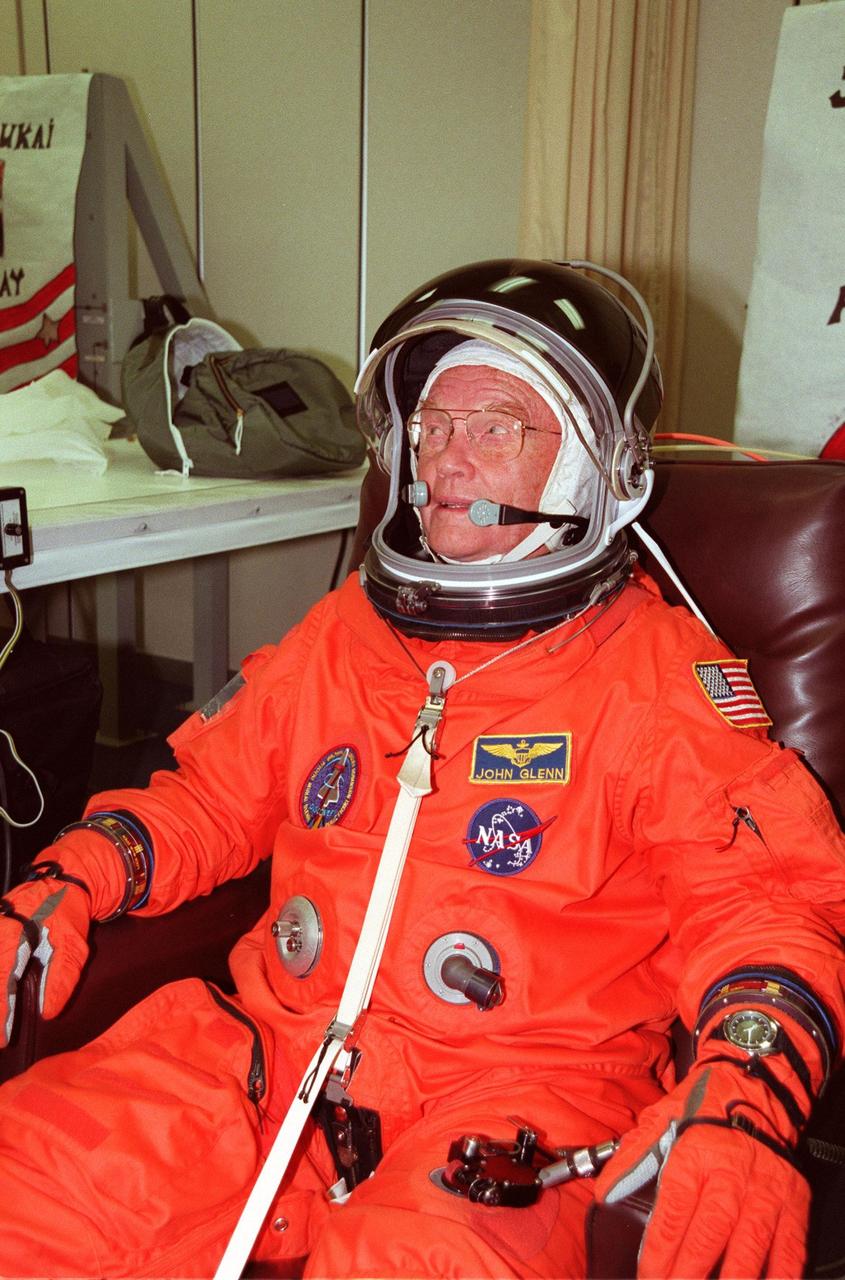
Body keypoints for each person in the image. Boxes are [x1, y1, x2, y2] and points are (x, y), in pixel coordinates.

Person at [0, 259, 843, 1280]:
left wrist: (747, 1092)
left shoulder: (652, 676)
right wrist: (72, 874)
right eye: (432, 427)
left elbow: (765, 904)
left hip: (512, 1109)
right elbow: (209, 796)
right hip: (264, 1061)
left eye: (494, 426)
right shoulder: (344, 633)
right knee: (27, 1177)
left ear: (585, 464)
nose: (445, 458)